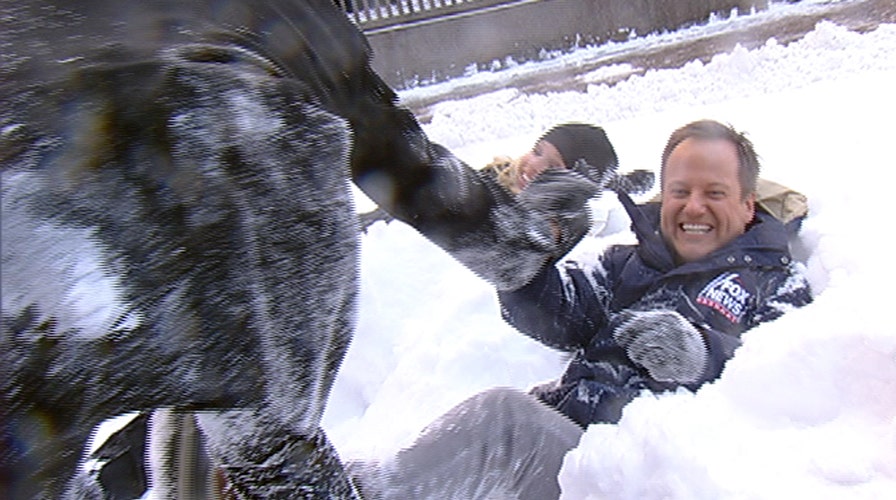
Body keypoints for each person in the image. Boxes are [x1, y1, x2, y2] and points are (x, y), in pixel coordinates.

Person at [348, 119, 813, 499]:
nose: (693, 207)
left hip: (637, 472)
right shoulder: (625, 264)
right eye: (679, 191)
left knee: (507, 422)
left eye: (714, 193)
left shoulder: (775, 283)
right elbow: (558, 315)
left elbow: (785, 386)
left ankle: (358, 494)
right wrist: (524, 259)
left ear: (748, 205)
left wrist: (702, 354)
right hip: (570, 442)